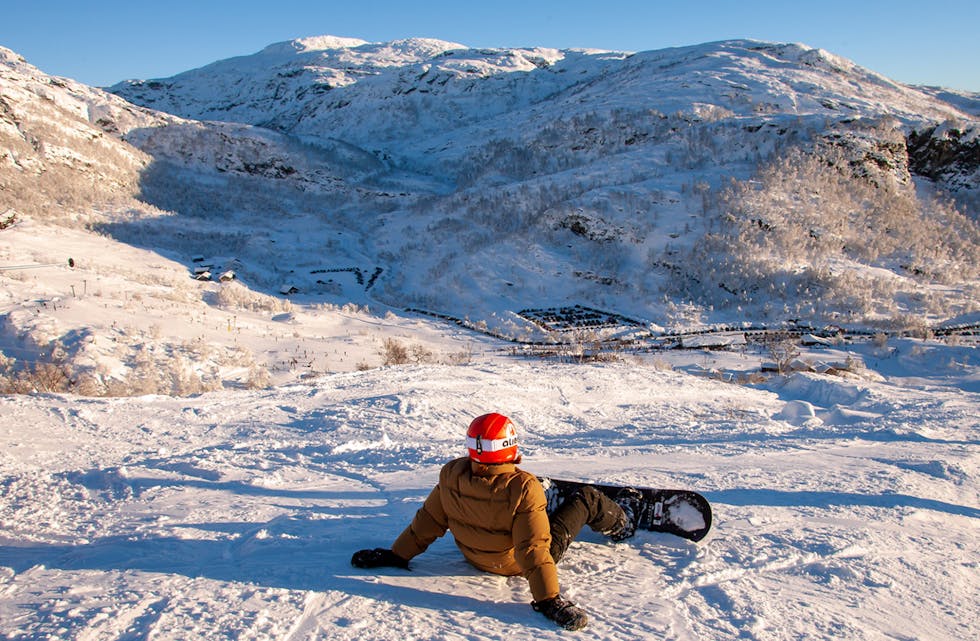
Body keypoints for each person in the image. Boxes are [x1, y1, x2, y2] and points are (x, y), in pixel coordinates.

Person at [350, 412, 641, 631]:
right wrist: (549, 600)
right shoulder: (523, 487)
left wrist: (396, 554)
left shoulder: (452, 476)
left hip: (476, 556)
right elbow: (533, 550)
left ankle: (546, 502)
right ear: (510, 446)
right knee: (587, 499)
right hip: (513, 563)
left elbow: (427, 522)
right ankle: (623, 522)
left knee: (526, 494)